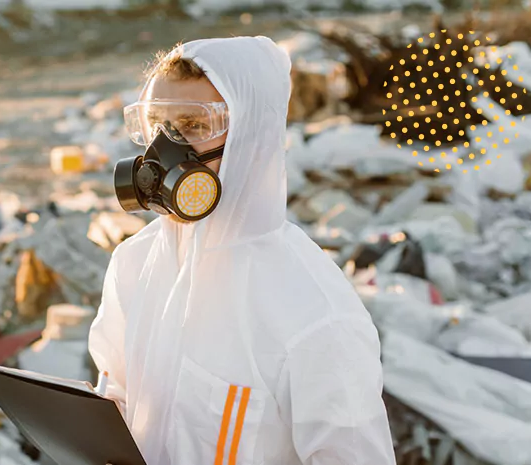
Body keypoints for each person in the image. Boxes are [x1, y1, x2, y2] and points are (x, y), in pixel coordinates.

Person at [89, 36, 397, 465]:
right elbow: (115, 402)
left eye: (194, 126)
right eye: (157, 124)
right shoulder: (133, 264)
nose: (165, 148)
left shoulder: (313, 313)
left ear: (251, 140)